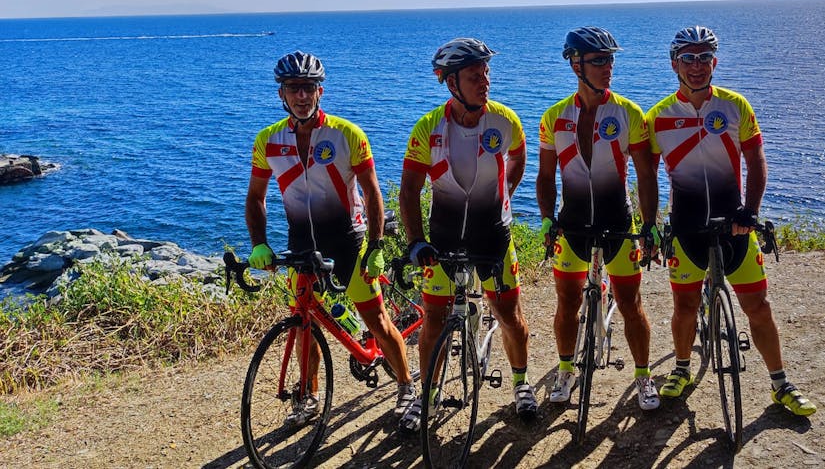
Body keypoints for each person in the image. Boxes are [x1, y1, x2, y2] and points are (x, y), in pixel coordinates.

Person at [644, 27, 817, 416]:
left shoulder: (736, 106)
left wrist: (751, 212)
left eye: (704, 57)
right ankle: (683, 368)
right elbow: (647, 176)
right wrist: (652, 223)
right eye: (688, 58)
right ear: (674, 64)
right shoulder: (657, 117)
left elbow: (755, 159)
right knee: (684, 306)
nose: (696, 66)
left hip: (735, 223)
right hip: (686, 227)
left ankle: (780, 382)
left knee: (758, 306)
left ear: (714, 63)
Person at [245, 50, 415, 426]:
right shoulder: (268, 141)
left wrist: (375, 246)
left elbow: (372, 192)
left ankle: (406, 387)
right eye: (294, 88)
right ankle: (308, 397)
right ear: (282, 95)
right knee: (306, 325)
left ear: (320, 91)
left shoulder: (345, 134)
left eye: (308, 88)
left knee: (378, 322)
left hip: (347, 241)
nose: (301, 96)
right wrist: (259, 243)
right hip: (302, 244)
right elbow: (256, 198)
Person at [398, 38, 537, 431]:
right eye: (475, 76)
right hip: (441, 241)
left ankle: (521, 383)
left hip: (493, 236)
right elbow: (409, 190)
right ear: (451, 82)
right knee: (434, 321)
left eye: (486, 73)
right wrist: (415, 241)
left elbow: (520, 156)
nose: (485, 81)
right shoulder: (429, 127)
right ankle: (427, 395)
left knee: (509, 315)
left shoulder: (505, 120)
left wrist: (503, 197)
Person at [536, 26, 661, 411]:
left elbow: (645, 176)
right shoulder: (555, 117)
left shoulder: (628, 113)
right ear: (576, 65)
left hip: (618, 223)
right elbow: (544, 177)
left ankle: (643, 375)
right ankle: (566, 368)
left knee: (629, 302)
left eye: (611, 59)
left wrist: (650, 224)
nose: (608, 67)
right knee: (567, 301)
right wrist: (545, 220)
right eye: (599, 60)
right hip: (571, 225)